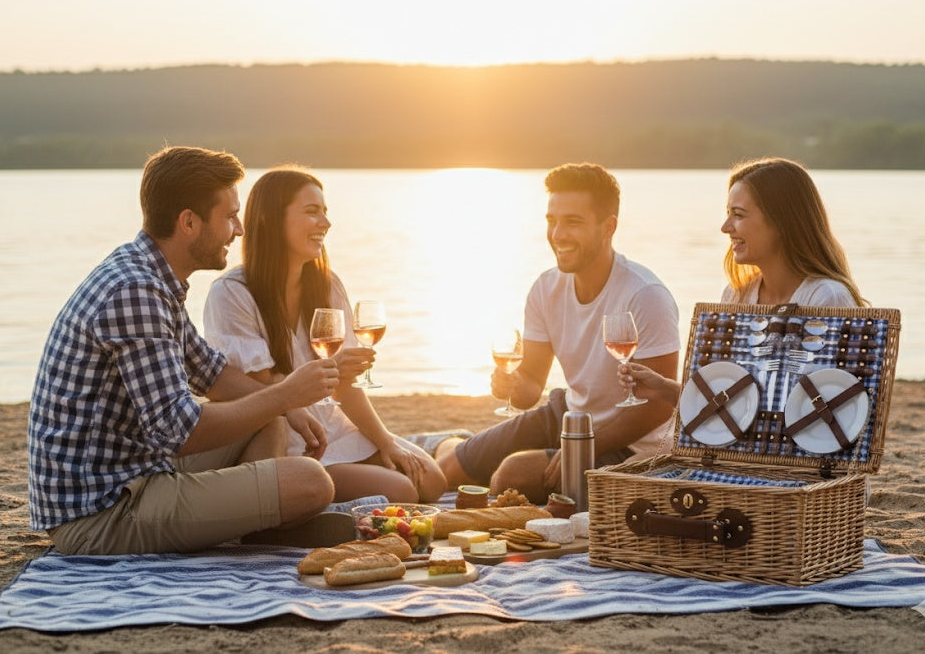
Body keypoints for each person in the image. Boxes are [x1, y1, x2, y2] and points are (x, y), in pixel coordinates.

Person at [28, 146, 344, 556]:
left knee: (270, 420)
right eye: (230, 216)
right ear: (189, 222)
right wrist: (284, 394)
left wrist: (288, 408)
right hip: (101, 512)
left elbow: (211, 372)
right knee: (311, 481)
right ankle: (266, 515)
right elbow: (180, 430)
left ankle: (260, 519)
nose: (239, 230)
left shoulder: (153, 278)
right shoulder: (135, 291)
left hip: (135, 470)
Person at [435, 162, 681, 503]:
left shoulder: (645, 295)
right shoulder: (545, 288)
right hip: (568, 414)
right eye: (552, 221)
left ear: (608, 227)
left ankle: (465, 443)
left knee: (511, 476)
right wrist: (512, 385)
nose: (558, 234)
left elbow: (660, 408)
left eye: (573, 222)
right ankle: (452, 444)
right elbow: (530, 388)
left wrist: (586, 445)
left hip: (633, 445)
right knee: (443, 473)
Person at [203, 166, 446, 506]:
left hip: (333, 425)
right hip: (289, 433)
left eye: (325, 212)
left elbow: (345, 386)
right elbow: (263, 385)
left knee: (431, 480)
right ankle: (313, 503)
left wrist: (387, 441)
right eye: (312, 212)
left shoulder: (327, 285)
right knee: (401, 492)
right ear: (270, 219)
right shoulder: (232, 293)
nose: (326, 224)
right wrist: (328, 374)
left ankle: (338, 499)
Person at [620, 156, 868, 401]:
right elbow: (725, 401)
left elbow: (839, 408)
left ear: (781, 221)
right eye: (728, 214)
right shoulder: (737, 294)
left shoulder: (826, 297)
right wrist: (665, 388)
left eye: (738, 215)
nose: (725, 227)